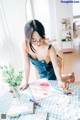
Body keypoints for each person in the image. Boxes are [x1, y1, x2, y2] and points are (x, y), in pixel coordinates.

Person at [20, 19, 75, 90]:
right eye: (34, 41)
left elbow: (56, 67)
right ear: (28, 38)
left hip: (54, 65)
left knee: (53, 82)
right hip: (42, 72)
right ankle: (69, 76)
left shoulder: (49, 48)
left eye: (41, 39)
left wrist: (60, 81)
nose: (39, 43)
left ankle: (68, 77)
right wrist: (25, 82)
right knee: (46, 82)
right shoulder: (24, 44)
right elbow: (26, 65)